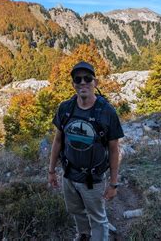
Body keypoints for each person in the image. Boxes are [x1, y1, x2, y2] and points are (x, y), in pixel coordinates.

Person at [48, 61, 124, 240]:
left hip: (93, 178)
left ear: (95, 83)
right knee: (76, 210)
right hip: (69, 175)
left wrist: (113, 184)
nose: (83, 82)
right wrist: (51, 171)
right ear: (73, 84)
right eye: (78, 79)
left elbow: (114, 150)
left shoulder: (107, 112)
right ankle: (83, 234)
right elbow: (58, 141)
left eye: (87, 78)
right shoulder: (65, 108)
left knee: (97, 217)